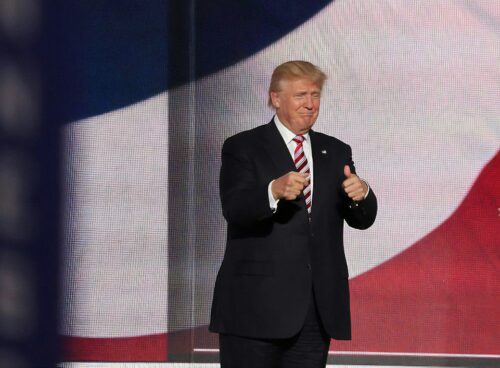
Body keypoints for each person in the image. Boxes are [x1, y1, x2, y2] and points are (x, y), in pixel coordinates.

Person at [209, 60, 377, 368]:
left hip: (315, 310)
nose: (310, 104)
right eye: (301, 95)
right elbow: (235, 208)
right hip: (254, 308)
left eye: (315, 95)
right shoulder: (243, 147)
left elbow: (362, 219)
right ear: (276, 98)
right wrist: (273, 190)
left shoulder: (336, 151)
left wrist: (362, 194)